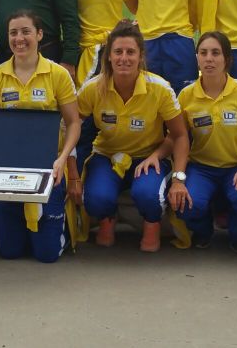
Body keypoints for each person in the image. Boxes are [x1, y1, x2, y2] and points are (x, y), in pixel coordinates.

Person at [0, 10, 81, 263]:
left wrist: (62, 159)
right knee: (10, 252)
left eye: (26, 32)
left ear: (40, 35)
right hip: (5, 171)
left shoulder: (58, 75)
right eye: (13, 33)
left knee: (46, 255)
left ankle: (57, 225)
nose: (19, 39)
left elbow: (74, 122)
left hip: (47, 170)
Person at [77, 20, 188, 252]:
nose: (123, 58)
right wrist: (71, 175)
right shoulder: (92, 88)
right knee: (96, 199)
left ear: (141, 56)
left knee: (148, 195)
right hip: (106, 156)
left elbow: (179, 136)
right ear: (108, 56)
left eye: (130, 52)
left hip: (148, 158)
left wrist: (177, 177)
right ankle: (107, 218)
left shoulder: (159, 89)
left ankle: (152, 224)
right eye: (117, 52)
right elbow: (71, 128)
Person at [169, 31, 237, 252]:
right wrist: (178, 177)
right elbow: (177, 138)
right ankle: (203, 232)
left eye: (216, 53)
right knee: (186, 202)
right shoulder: (186, 95)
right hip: (201, 168)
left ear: (227, 59)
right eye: (203, 53)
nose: (209, 59)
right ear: (196, 58)